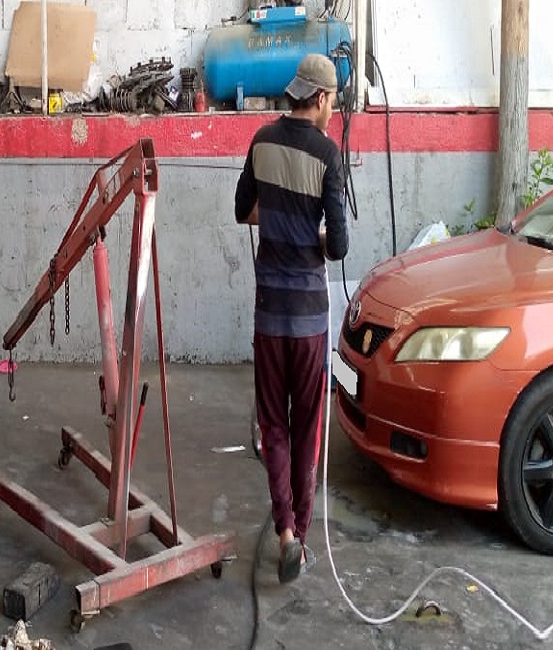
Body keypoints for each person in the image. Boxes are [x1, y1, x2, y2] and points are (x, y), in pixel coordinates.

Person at [233, 53, 349, 584]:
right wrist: (313, 234)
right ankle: (301, 535)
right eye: (333, 101)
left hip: (269, 317)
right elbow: (338, 246)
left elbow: (243, 209)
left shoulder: (261, 141)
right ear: (320, 98)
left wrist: (281, 221)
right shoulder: (328, 153)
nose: (333, 110)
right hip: (309, 322)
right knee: (307, 428)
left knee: (274, 426)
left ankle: (283, 531)